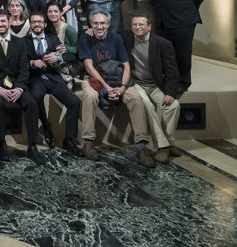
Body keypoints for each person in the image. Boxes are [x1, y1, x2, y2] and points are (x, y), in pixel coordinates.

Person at [77, 11, 154, 167]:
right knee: (90, 97)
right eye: (96, 23)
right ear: (91, 24)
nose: (99, 26)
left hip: (117, 77)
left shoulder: (116, 38)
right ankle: (88, 142)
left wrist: (123, 87)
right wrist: (107, 87)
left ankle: (141, 147)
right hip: (94, 77)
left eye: (102, 23)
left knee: (136, 98)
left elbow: (126, 65)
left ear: (108, 24)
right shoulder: (85, 38)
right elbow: (89, 67)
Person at [0, 9, 44, 164]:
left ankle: (32, 146)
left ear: (8, 22)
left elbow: (24, 68)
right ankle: (2, 143)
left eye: (3, 21)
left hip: (17, 85)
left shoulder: (20, 43)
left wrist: (20, 88)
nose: (1, 24)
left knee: (32, 102)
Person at [122, 14, 182, 163]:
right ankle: (163, 147)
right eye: (135, 24)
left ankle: (167, 142)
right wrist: (90, 31)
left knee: (173, 106)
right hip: (136, 83)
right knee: (147, 105)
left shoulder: (163, 43)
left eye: (141, 24)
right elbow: (105, 34)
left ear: (149, 27)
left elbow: (172, 71)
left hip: (155, 85)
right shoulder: (125, 38)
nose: (138, 27)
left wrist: (170, 93)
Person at [149, 0, 207, 95]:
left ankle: (183, 82)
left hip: (183, 19)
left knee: (182, 53)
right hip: (163, 19)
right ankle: (169, 80)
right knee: (166, 54)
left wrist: (187, 7)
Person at [24, 12, 84, 157]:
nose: (36, 24)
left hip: (53, 77)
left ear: (45, 24)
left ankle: (69, 140)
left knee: (74, 102)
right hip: (35, 78)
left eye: (39, 22)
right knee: (36, 97)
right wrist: (32, 63)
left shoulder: (53, 39)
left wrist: (57, 57)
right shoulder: (22, 41)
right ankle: (47, 127)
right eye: (33, 22)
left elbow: (72, 55)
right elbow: (17, 61)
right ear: (30, 25)